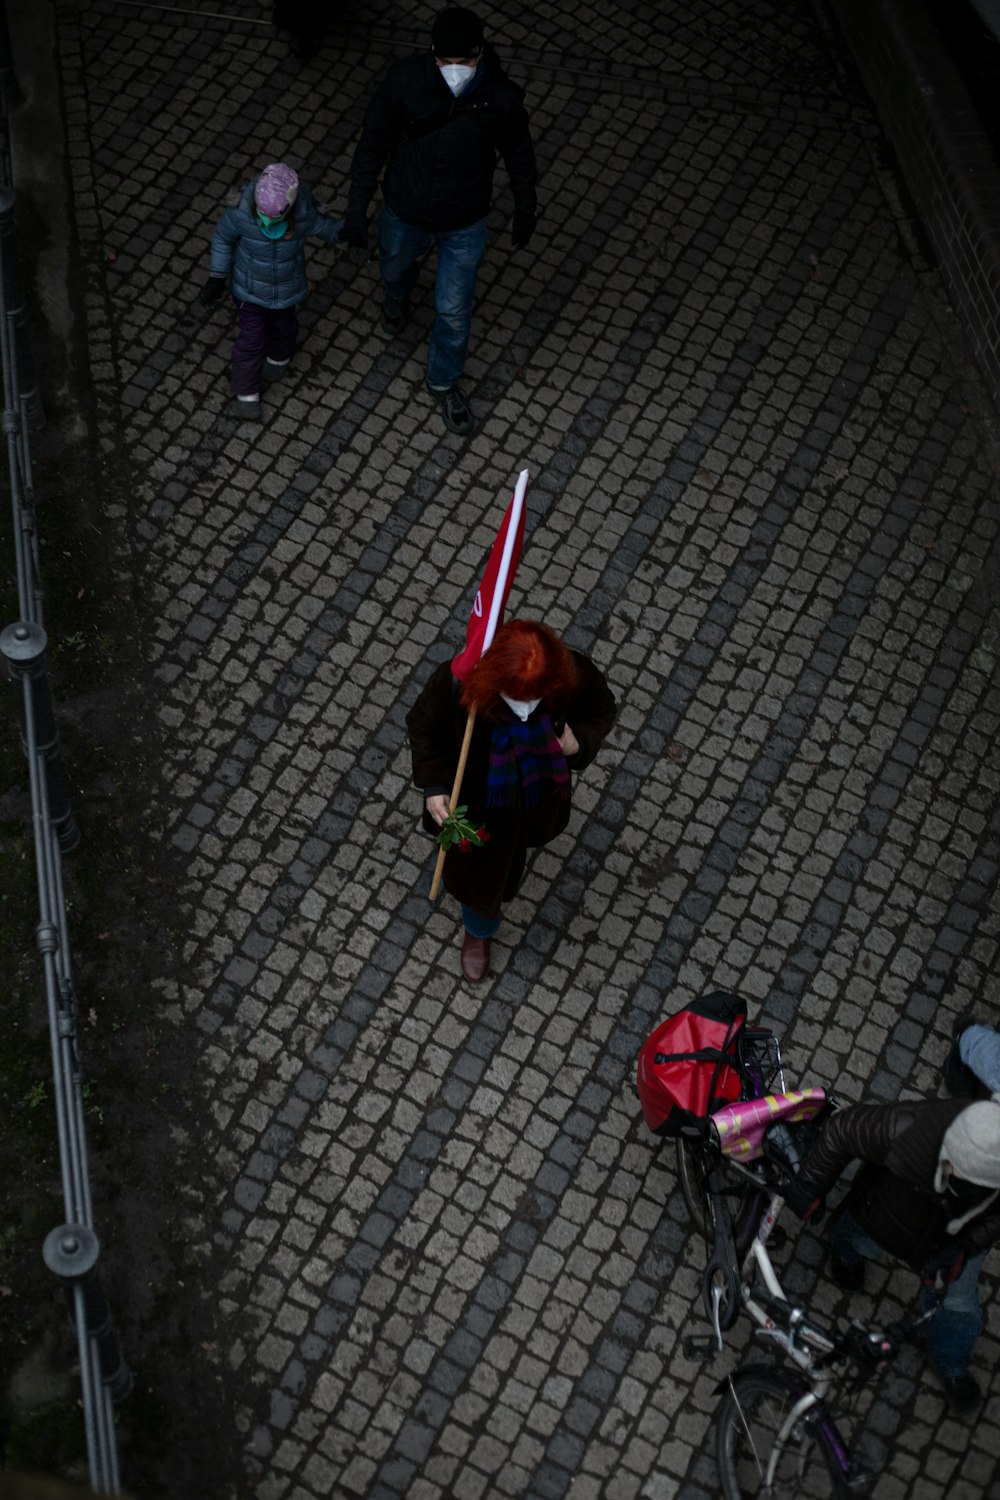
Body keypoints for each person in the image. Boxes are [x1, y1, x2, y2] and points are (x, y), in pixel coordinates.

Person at [342, 5, 537, 438]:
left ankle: (444, 381)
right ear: (432, 57)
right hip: (405, 209)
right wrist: (357, 206)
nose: (455, 71)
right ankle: (396, 296)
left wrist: (527, 207)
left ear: (480, 56)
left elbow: (520, 155)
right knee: (395, 266)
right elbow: (373, 142)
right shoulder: (405, 82)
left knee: (453, 311)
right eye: (445, 62)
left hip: (464, 221)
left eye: (463, 62)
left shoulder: (499, 98)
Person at [406, 620, 615, 981]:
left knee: (523, 841)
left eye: (536, 696)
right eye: (518, 697)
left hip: (538, 798)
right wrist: (435, 786)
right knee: (481, 876)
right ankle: (479, 928)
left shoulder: (568, 674)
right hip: (477, 806)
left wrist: (577, 742)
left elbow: (601, 709)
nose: (527, 707)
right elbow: (425, 728)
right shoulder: (458, 683)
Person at [783, 1092, 1000, 1415]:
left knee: (958, 1308)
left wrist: (964, 1248)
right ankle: (845, 1255)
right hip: (888, 1215)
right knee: (856, 1238)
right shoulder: (908, 1128)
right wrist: (809, 1185)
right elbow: (842, 1130)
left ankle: (948, 1363)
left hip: (950, 1245)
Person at [198, 162, 343, 422]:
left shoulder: (302, 214)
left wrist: (348, 230)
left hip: (286, 293)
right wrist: (217, 277)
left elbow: (326, 229)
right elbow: (222, 239)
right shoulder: (241, 212)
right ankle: (246, 391)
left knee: (284, 329)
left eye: (275, 218)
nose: (267, 222)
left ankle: (278, 358)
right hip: (249, 293)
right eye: (263, 215)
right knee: (251, 341)